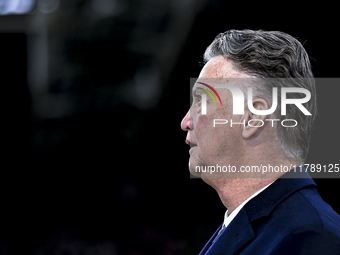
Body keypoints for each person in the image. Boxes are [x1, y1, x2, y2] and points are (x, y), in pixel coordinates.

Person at [181, 29, 340, 254]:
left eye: (201, 100)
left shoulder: (310, 237)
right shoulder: (271, 228)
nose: (185, 121)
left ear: (253, 118)